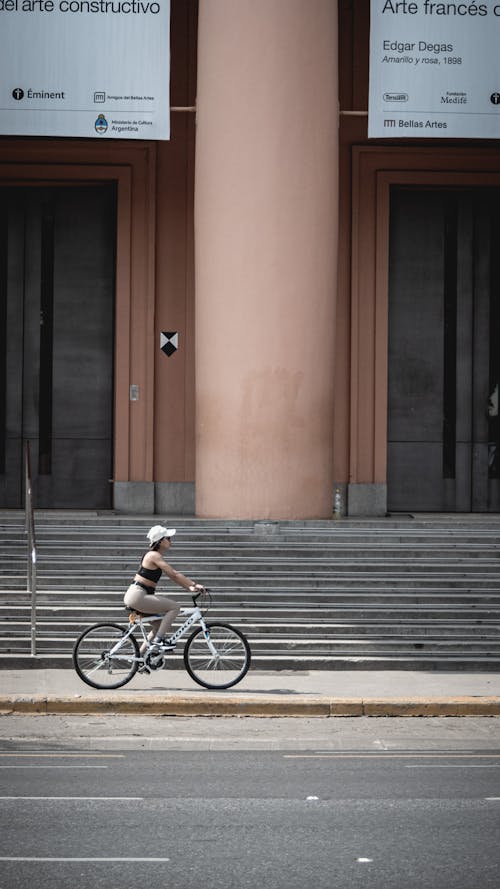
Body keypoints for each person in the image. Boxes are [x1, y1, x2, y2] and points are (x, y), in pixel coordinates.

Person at [124, 525, 204, 655]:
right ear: (160, 541)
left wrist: (190, 587)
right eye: (168, 538)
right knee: (174, 607)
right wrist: (194, 584)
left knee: (158, 626)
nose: (171, 540)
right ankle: (159, 642)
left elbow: (174, 576)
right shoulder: (153, 555)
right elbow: (174, 573)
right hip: (138, 595)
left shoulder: (155, 556)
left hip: (138, 595)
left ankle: (139, 658)